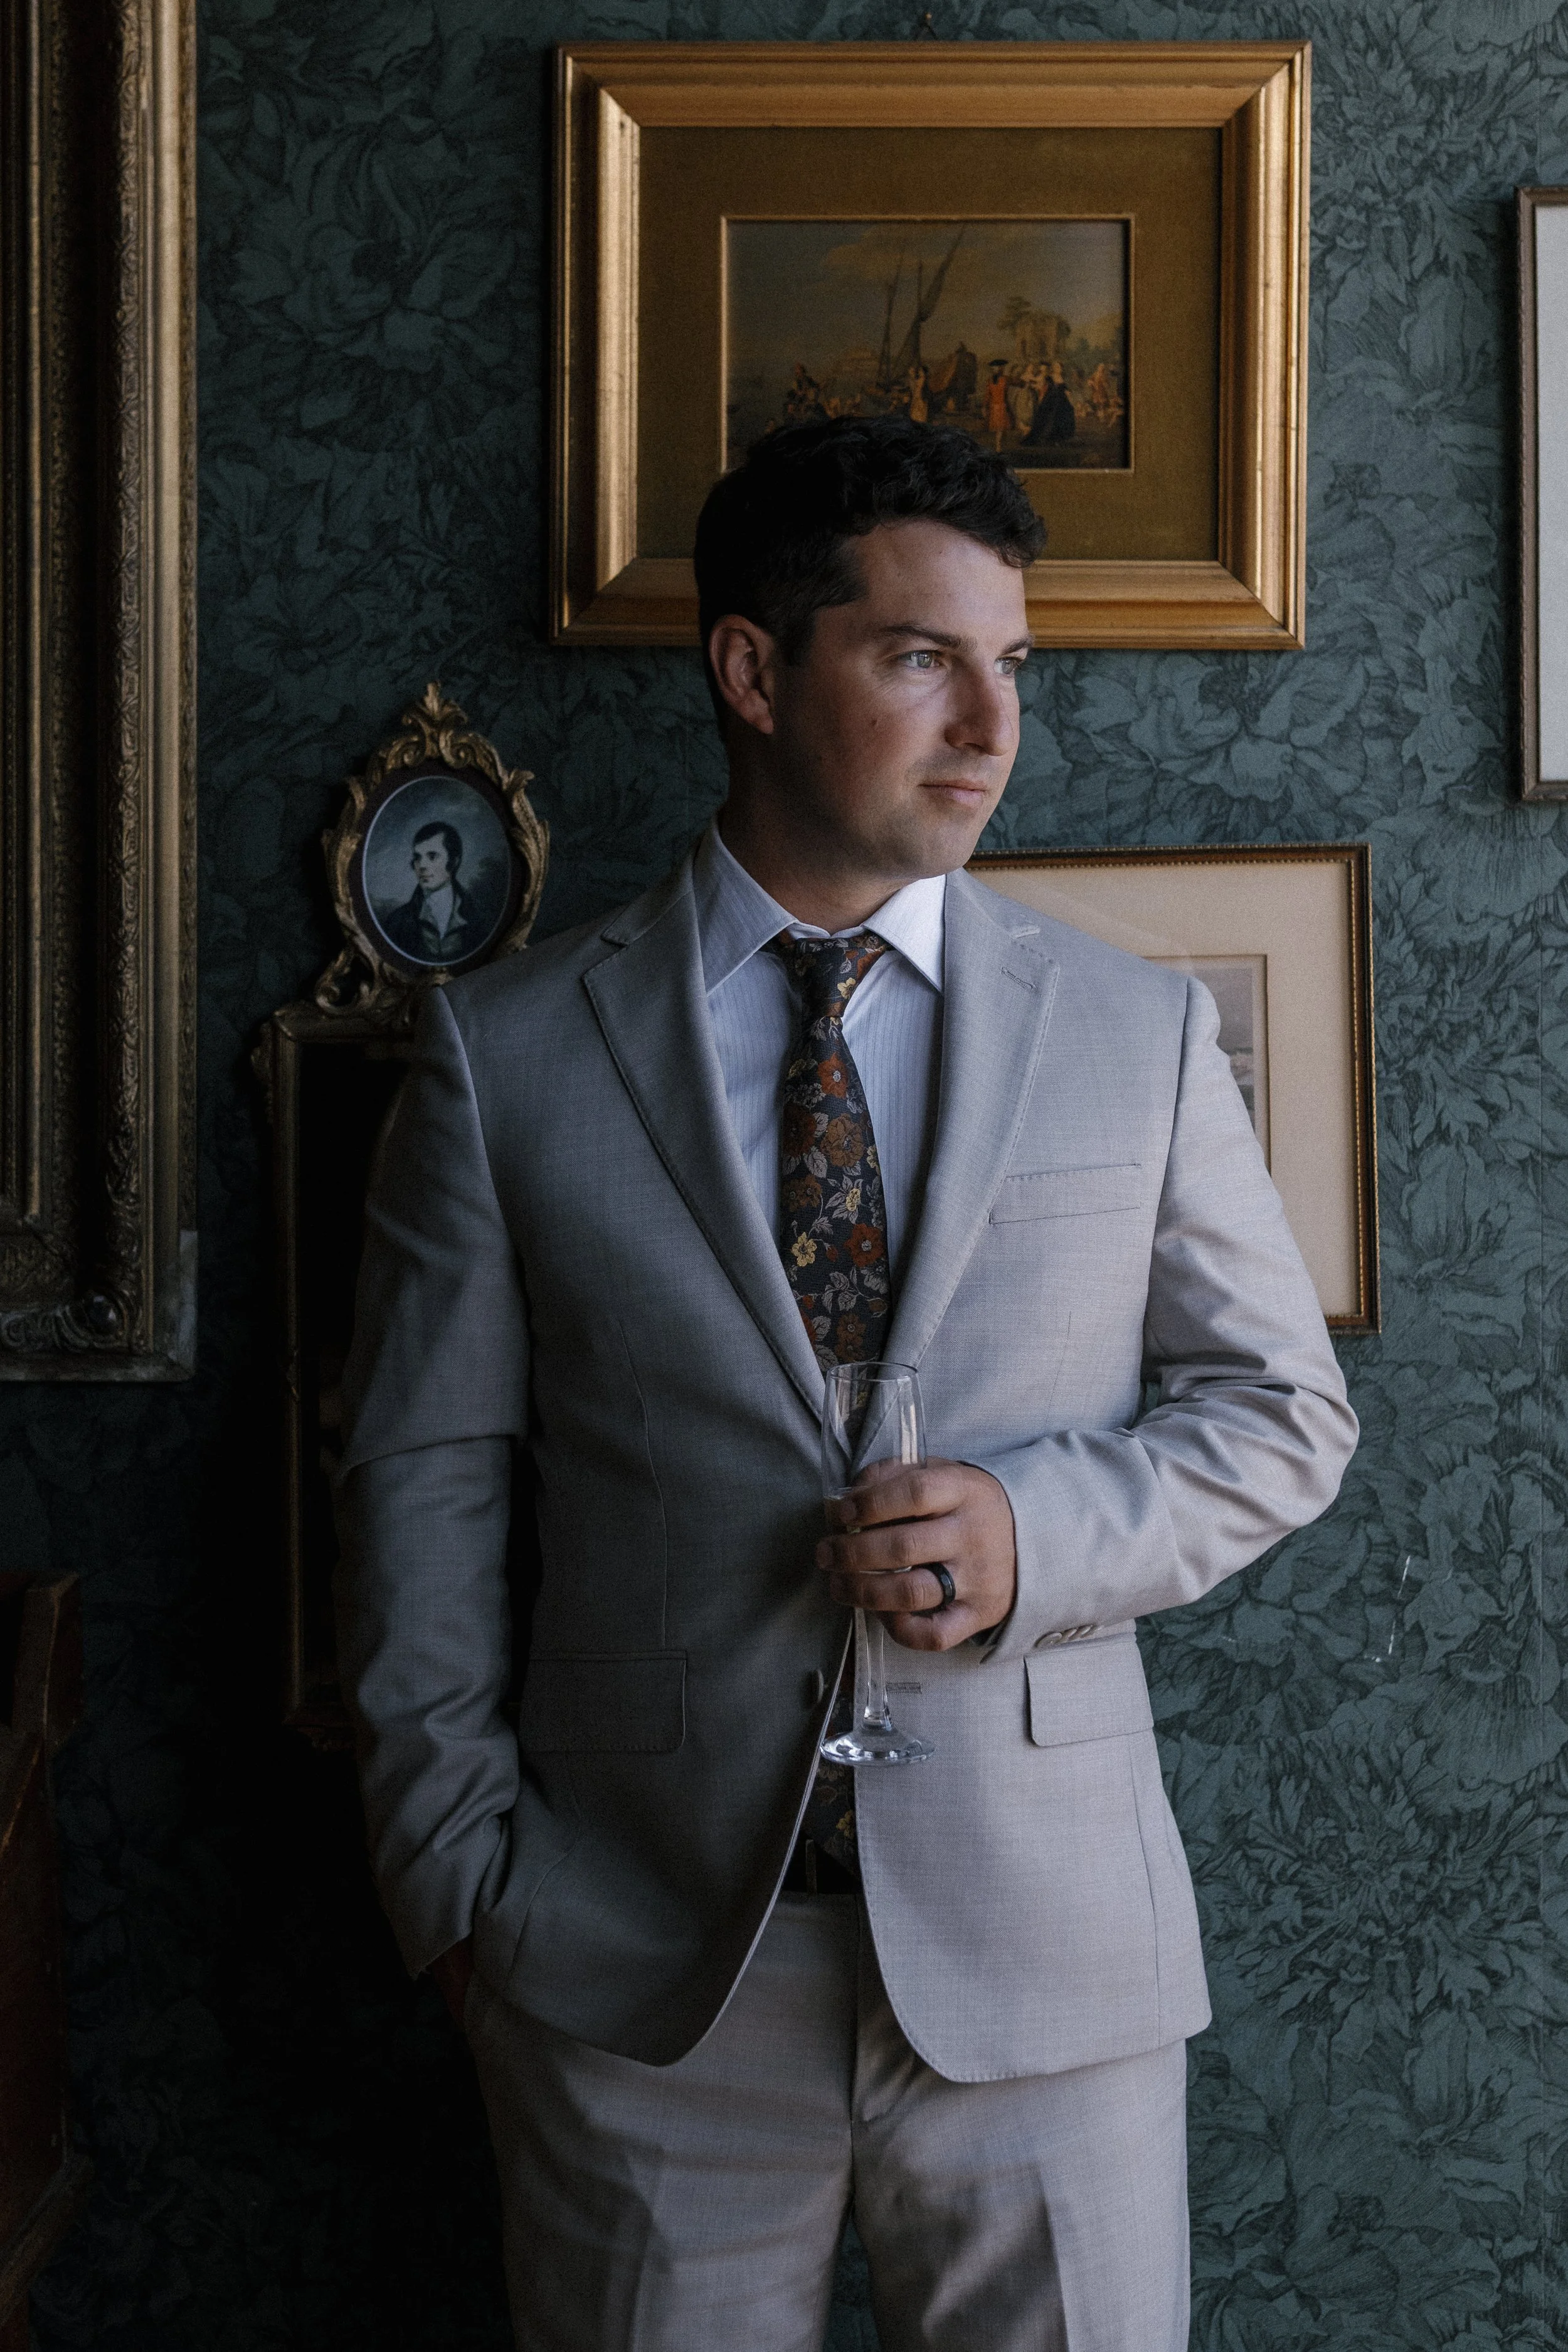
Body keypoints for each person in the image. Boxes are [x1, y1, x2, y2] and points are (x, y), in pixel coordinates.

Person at [335, 416, 1357, 2352]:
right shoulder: (504, 1054)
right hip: (637, 1985)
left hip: (1050, 1980)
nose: (989, 722)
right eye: (917, 657)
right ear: (750, 668)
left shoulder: (1133, 1031)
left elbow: (1281, 1415)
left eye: (1011, 664)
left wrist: (1032, 1530)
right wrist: (459, 1891)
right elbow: (420, 1487)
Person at [376, 819, 495, 965]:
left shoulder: (478, 916)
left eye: (432, 856)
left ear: (454, 861)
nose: (422, 866)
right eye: (418, 858)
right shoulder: (398, 922)